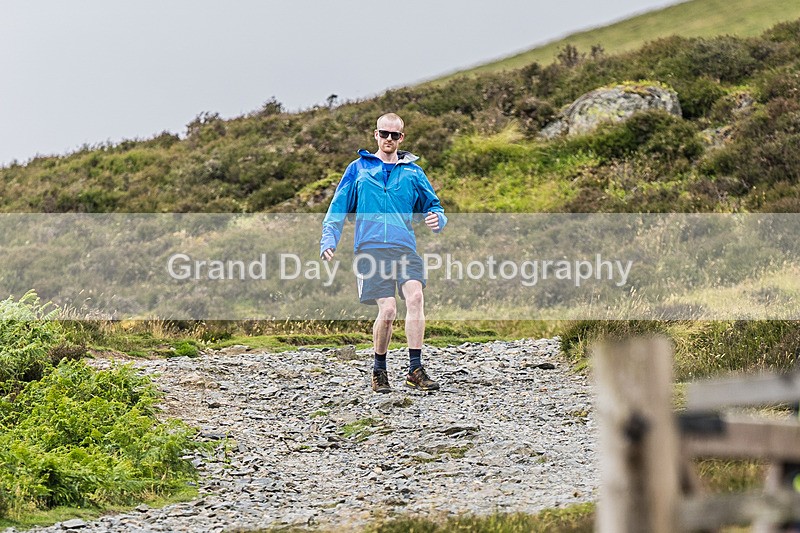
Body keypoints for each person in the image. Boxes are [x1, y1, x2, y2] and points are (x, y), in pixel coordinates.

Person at [320, 112, 447, 393]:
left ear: (402, 138)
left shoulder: (413, 172)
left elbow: (434, 206)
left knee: (416, 297)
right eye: (384, 133)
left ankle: (415, 370)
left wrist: (437, 219)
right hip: (371, 248)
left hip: (404, 247)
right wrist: (329, 239)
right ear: (376, 135)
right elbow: (338, 207)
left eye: (395, 135)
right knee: (388, 310)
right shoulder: (358, 169)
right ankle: (379, 370)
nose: (389, 139)